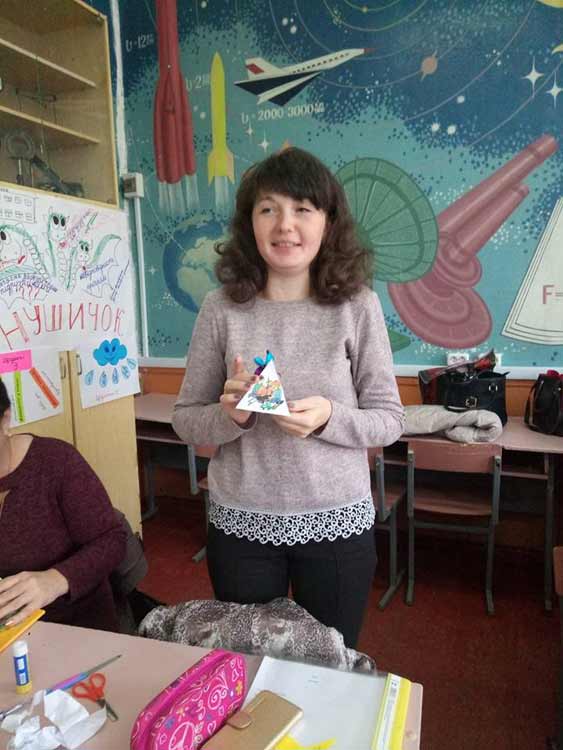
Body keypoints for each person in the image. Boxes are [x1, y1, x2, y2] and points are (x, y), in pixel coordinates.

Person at [172, 147, 404, 648]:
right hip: (241, 525)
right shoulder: (220, 307)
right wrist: (231, 417)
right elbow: (185, 420)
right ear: (250, 224)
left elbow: (389, 420)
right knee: (250, 663)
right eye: (268, 209)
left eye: (303, 209)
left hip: (337, 522)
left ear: (328, 222)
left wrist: (329, 418)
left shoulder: (357, 305)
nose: (285, 225)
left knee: (333, 661)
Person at [0, 378, 126, 632]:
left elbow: (113, 540)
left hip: (76, 629)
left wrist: (56, 579)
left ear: (5, 420)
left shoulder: (56, 462)